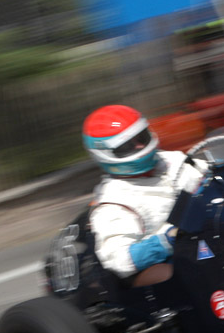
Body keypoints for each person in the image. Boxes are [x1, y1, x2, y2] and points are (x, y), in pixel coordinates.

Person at [82, 104, 203, 286]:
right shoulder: (113, 202)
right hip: (174, 265)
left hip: (211, 238)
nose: (140, 146)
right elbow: (121, 260)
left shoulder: (174, 161)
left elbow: (214, 179)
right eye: (127, 145)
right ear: (106, 154)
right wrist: (170, 238)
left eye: (141, 137)